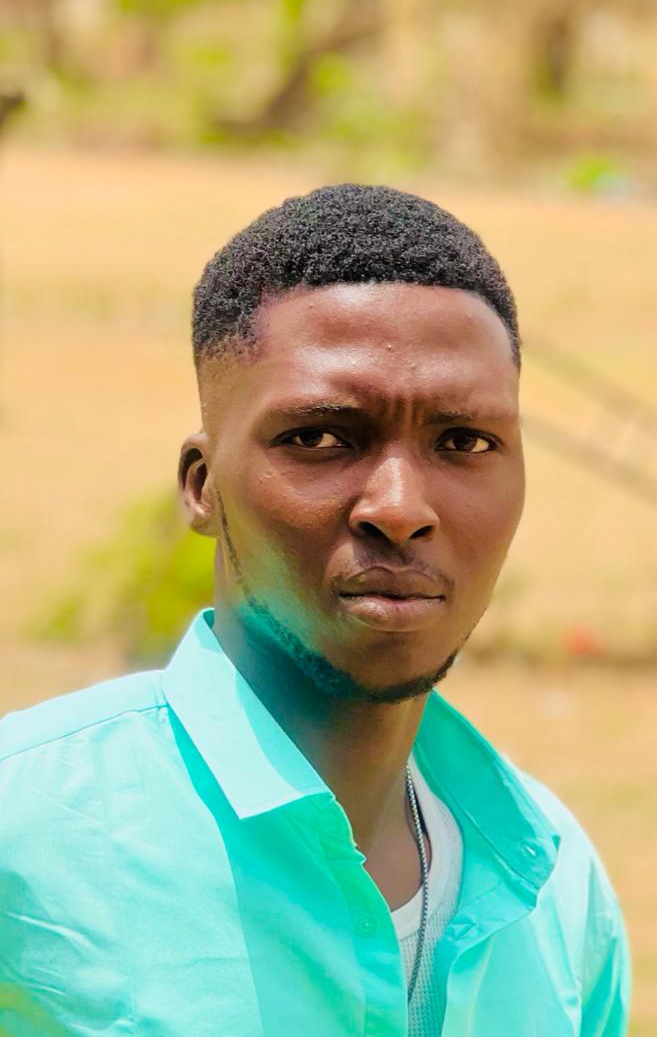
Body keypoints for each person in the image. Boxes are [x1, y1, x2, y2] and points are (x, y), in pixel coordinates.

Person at [0, 184, 630, 1036]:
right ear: (202, 486)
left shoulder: (553, 884)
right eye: (319, 437)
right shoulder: (26, 835)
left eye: (464, 442)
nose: (399, 507)